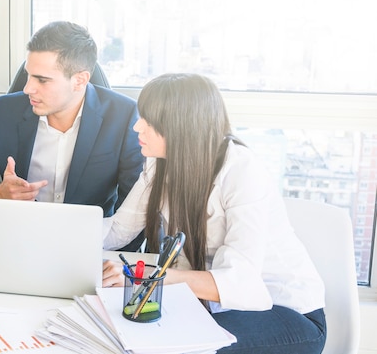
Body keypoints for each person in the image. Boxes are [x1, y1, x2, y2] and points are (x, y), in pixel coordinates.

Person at [102, 74, 326, 354]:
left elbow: (242, 283)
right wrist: (58, 236)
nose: (137, 126)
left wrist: (150, 277)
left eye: (149, 120)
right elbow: (117, 231)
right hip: (218, 307)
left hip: (288, 314)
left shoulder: (241, 171)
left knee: (168, 344)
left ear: (181, 126)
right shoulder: (160, 165)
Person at [0, 21, 144, 241]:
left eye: (42, 80)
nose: (28, 88)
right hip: (15, 242)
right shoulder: (3, 112)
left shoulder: (122, 117)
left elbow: (135, 209)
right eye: (28, 75)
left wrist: (116, 266)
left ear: (79, 80)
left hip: (89, 245)